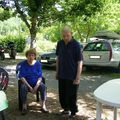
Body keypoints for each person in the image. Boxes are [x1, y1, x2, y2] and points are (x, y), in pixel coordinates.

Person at [56, 26, 83, 118]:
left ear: (71, 34)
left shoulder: (76, 45)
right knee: (62, 94)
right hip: (62, 74)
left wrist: (78, 77)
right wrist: (57, 72)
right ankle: (65, 109)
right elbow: (58, 58)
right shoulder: (59, 43)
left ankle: (73, 112)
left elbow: (80, 61)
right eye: (64, 36)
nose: (66, 38)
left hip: (72, 75)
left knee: (71, 95)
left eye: (67, 35)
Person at [19, 49, 48, 115]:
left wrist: (36, 86)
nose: (31, 57)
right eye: (29, 55)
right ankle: (24, 106)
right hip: (27, 83)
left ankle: (43, 105)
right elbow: (21, 77)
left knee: (43, 86)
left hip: (36, 83)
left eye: (33, 55)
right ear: (27, 56)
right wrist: (29, 87)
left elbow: (40, 77)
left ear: (35, 56)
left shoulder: (38, 64)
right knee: (23, 87)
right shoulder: (23, 64)